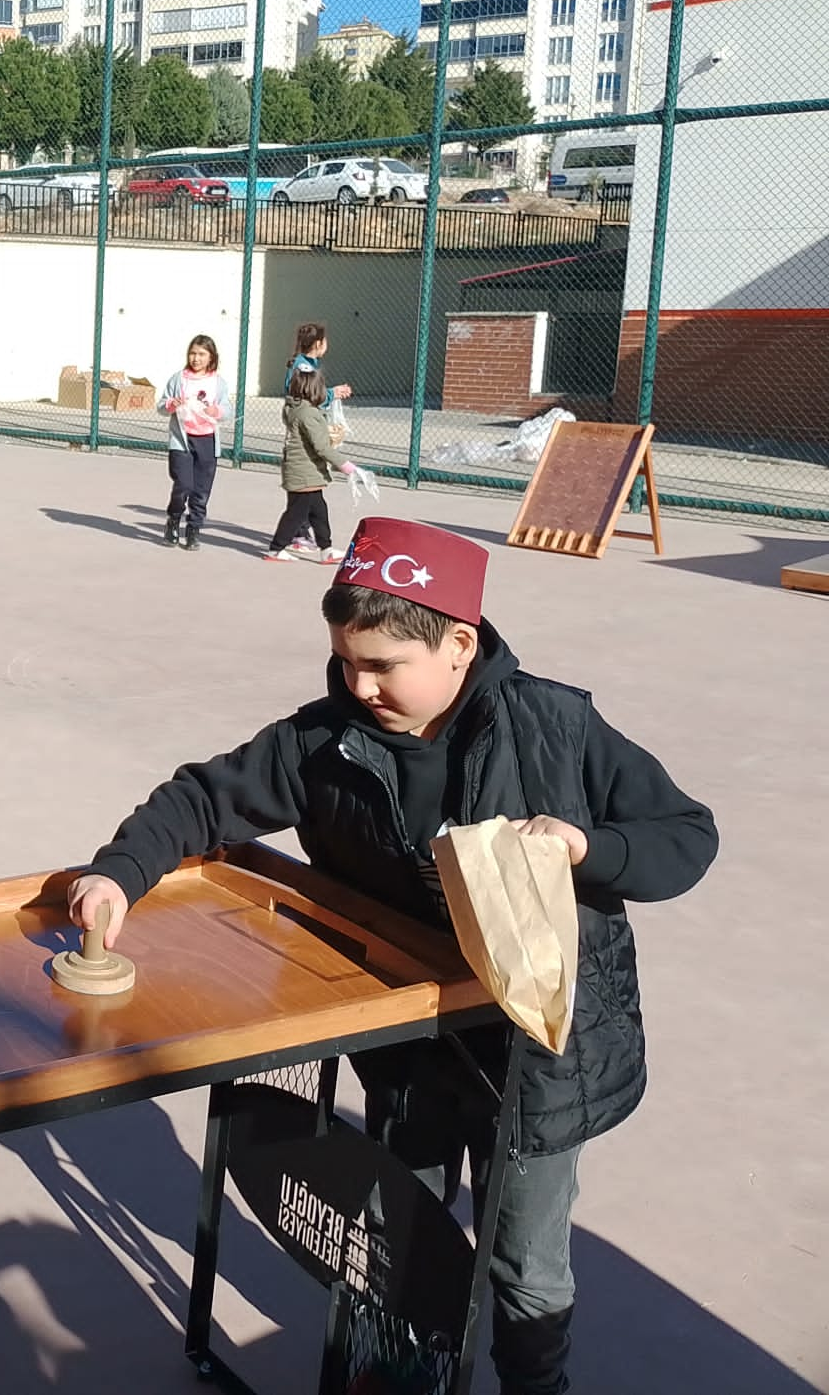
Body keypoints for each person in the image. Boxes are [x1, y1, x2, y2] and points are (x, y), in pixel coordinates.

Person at [66, 517, 717, 1395]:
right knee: (393, 1232)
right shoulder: (323, 739)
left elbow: (685, 835)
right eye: (345, 660)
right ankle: (395, 1373)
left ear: (459, 643)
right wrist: (120, 873)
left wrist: (587, 848)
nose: (358, 683)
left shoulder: (555, 726)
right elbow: (200, 798)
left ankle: (534, 1385)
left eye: (382, 666)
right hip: (407, 1045)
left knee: (524, 1266)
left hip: (537, 1055)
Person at [265, 363, 362, 563]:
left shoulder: (295, 409)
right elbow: (321, 447)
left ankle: (326, 549)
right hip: (305, 472)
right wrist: (345, 465)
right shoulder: (309, 414)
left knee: (319, 511)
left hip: (300, 470)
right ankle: (276, 548)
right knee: (296, 513)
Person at [159, 333, 230, 552]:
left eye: (201, 354)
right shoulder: (179, 379)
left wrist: (215, 410)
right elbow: (161, 406)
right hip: (182, 440)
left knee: (201, 490)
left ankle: (193, 529)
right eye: (192, 353)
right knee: (184, 485)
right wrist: (171, 404)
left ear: (211, 357)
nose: (196, 358)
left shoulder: (218, 383)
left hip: (207, 440)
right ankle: (173, 518)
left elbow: (227, 409)